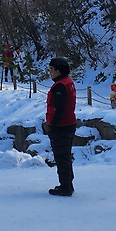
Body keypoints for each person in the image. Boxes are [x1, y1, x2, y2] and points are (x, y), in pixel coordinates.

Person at [42, 56, 77, 196]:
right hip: (69, 123)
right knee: (65, 156)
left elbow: (59, 109)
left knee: (61, 157)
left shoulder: (60, 86)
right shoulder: (67, 82)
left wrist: (53, 127)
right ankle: (67, 183)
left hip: (62, 125)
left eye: (51, 69)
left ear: (58, 70)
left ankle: (65, 186)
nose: (50, 72)